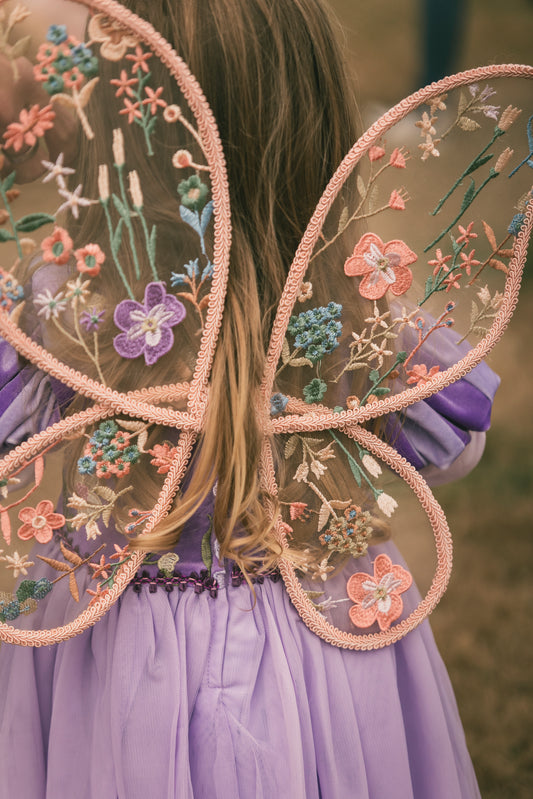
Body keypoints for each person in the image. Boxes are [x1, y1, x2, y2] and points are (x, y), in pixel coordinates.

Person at [0, 1, 529, 797]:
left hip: (106, 664)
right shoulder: (361, 314)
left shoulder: (52, 321)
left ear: (100, 130)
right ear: (319, 123)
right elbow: (459, 451)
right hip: (323, 652)